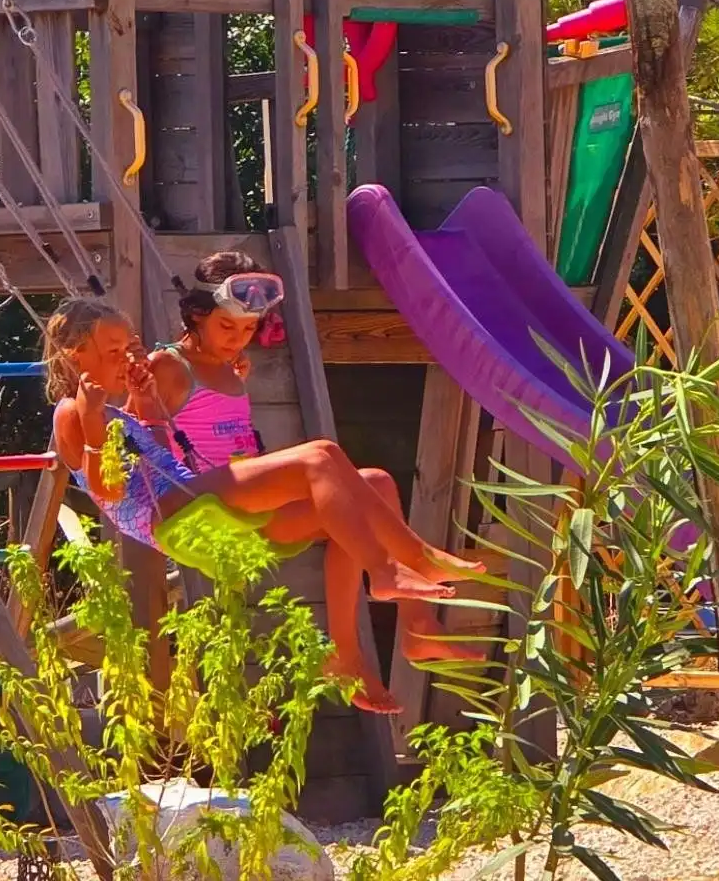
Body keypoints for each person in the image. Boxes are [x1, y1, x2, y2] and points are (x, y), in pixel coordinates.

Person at [46, 296, 482, 714]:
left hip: (196, 502)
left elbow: (163, 455)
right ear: (76, 354)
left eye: (130, 348)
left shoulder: (114, 411)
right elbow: (109, 490)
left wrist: (144, 404)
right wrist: (90, 417)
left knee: (374, 485)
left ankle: (388, 638)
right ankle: (390, 569)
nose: (127, 358)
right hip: (178, 514)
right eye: (114, 350)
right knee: (321, 457)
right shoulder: (72, 411)